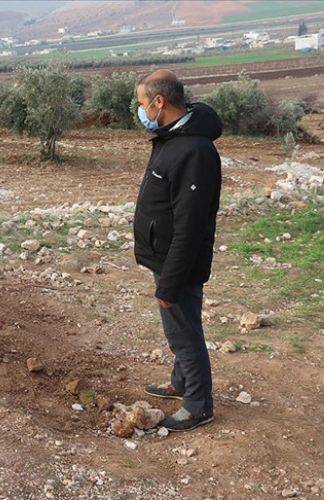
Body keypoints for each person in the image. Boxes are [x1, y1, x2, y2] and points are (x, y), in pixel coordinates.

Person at [133, 69, 223, 432]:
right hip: (166, 256)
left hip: (179, 262)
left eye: (141, 103)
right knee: (179, 327)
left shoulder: (194, 150)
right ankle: (182, 383)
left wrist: (169, 283)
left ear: (159, 102)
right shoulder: (172, 137)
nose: (139, 111)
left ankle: (198, 406)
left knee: (184, 333)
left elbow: (190, 226)